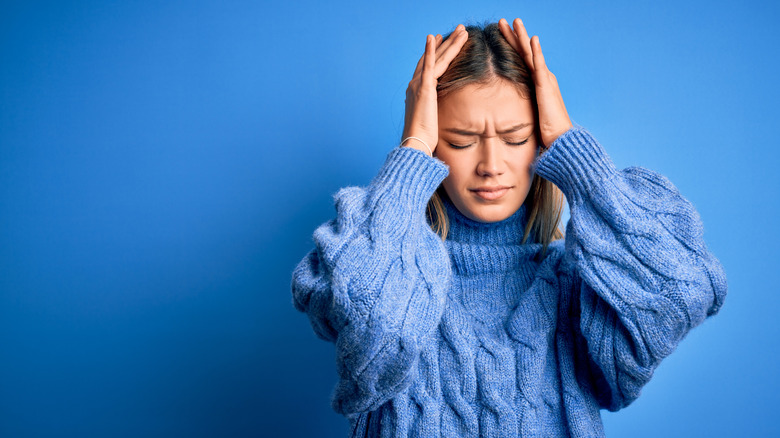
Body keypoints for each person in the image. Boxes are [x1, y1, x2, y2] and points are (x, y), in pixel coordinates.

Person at [290, 18, 727, 437]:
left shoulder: (576, 285)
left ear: (540, 139)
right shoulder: (385, 266)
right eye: (461, 141)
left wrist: (576, 157)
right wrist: (412, 150)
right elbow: (376, 328)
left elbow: (684, 291)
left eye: (516, 139)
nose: (491, 167)